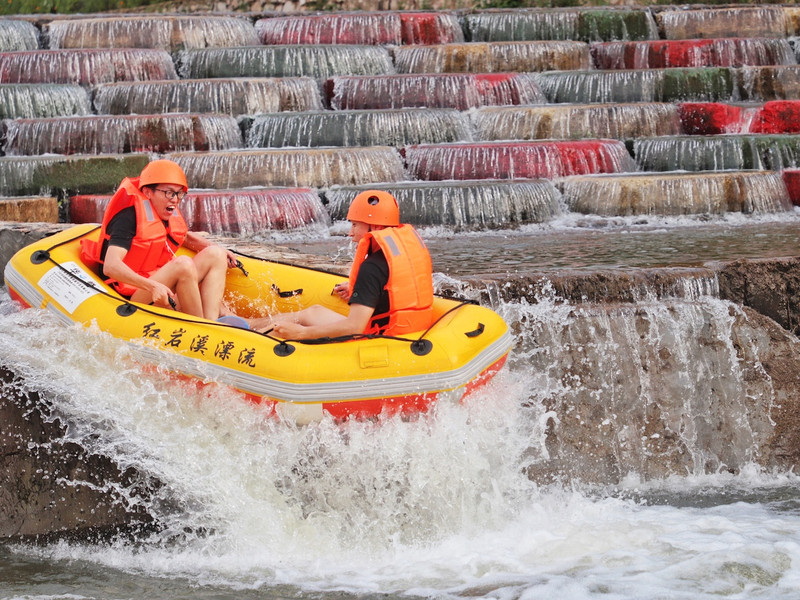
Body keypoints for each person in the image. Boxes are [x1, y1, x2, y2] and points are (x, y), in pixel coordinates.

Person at [255, 190, 434, 340]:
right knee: (313, 312)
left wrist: (301, 333)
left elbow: (354, 327)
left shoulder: (371, 267)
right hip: (408, 332)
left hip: (379, 339)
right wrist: (366, 291)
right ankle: (249, 324)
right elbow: (395, 288)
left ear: (375, 227)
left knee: (282, 330)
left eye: (355, 225)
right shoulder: (401, 254)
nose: (350, 233)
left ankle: (249, 334)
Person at [80, 159, 238, 320]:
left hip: (156, 282)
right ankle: (202, 326)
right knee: (183, 264)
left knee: (216, 253)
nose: (175, 199)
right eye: (169, 193)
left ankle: (212, 321)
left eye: (179, 193)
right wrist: (153, 286)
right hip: (131, 294)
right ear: (148, 192)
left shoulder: (164, 212)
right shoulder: (127, 219)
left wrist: (218, 248)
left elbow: (183, 237)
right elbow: (110, 266)